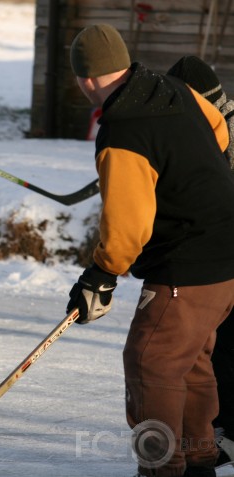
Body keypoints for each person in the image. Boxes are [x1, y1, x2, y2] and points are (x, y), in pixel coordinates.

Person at [66, 24, 234, 477]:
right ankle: (199, 460)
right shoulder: (173, 88)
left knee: (149, 362)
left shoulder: (123, 131)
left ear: (85, 78)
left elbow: (127, 228)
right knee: (191, 362)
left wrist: (100, 275)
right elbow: (220, 130)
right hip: (225, 257)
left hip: (187, 264)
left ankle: (161, 468)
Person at [166, 55, 234, 468]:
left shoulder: (219, 132)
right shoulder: (198, 128)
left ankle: (223, 433)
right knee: (213, 348)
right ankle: (217, 432)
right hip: (217, 258)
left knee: (224, 347)